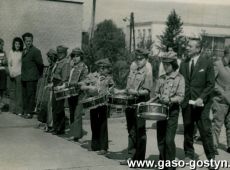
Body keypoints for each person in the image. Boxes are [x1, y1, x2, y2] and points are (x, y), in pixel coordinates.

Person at [179, 37, 216, 169]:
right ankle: (188, 154)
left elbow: (211, 84)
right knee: (188, 130)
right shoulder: (183, 63)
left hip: (202, 104)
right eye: (187, 46)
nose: (187, 48)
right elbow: (181, 83)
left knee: (205, 131)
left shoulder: (207, 62)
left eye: (190, 46)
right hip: (186, 103)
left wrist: (201, 97)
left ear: (198, 48)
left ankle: (211, 159)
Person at [149, 51, 185, 170]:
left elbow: (181, 96)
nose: (165, 66)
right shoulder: (161, 78)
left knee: (169, 140)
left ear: (174, 64)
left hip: (172, 111)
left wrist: (169, 99)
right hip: (161, 111)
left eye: (168, 64)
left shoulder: (180, 78)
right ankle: (163, 163)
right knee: (161, 139)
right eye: (164, 64)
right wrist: (152, 100)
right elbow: (157, 93)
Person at [120, 48, 153, 164]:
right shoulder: (133, 69)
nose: (139, 61)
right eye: (137, 58)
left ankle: (139, 159)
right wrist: (120, 91)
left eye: (141, 59)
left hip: (140, 102)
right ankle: (130, 156)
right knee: (131, 130)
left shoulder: (148, 71)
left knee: (140, 130)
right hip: (130, 102)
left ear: (146, 59)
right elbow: (128, 88)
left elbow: (148, 91)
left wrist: (136, 93)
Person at [80, 58, 114, 155]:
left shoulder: (109, 78)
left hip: (103, 103)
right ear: (100, 68)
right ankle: (95, 145)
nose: (104, 70)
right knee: (94, 122)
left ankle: (103, 147)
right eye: (103, 68)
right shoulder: (92, 76)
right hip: (93, 103)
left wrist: (109, 91)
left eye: (106, 69)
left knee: (103, 124)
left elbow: (112, 88)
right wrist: (89, 87)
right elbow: (82, 85)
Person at [67, 48, 88, 141]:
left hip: (80, 93)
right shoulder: (72, 67)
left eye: (77, 56)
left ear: (81, 57)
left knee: (77, 113)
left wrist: (78, 83)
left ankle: (77, 134)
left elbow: (85, 80)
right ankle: (72, 132)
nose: (75, 58)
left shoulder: (84, 67)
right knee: (71, 113)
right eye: (73, 56)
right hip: (71, 92)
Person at [212, 46, 230, 154]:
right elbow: (211, 82)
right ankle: (213, 145)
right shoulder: (217, 65)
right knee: (217, 124)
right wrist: (221, 93)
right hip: (220, 101)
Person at [21, 32, 43, 119]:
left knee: (31, 95)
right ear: (24, 41)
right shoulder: (23, 51)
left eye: (30, 41)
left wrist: (39, 74)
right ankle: (26, 111)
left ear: (32, 41)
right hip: (24, 77)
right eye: (27, 41)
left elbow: (40, 64)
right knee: (25, 95)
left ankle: (29, 113)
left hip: (32, 77)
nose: (28, 42)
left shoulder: (36, 51)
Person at [51, 45, 69, 135]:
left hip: (60, 85)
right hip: (55, 83)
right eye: (58, 52)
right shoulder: (58, 61)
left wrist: (60, 86)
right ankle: (55, 127)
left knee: (59, 107)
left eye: (61, 53)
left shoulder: (65, 63)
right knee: (54, 106)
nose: (59, 54)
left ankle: (60, 128)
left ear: (65, 53)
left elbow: (64, 78)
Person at [8, 37, 24, 115]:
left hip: (19, 74)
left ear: (21, 45)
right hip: (12, 75)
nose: (17, 45)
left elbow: (22, 64)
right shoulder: (11, 52)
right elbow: (9, 63)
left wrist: (19, 73)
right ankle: (12, 109)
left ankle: (19, 110)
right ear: (14, 44)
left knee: (19, 93)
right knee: (12, 92)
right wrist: (11, 72)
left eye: (19, 44)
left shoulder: (22, 52)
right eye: (16, 43)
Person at [0, 38, 7, 110]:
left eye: (3, 45)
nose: (2, 46)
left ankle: (0, 105)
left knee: (1, 89)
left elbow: (5, 62)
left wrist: (2, 61)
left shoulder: (3, 52)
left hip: (2, 72)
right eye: (1, 44)